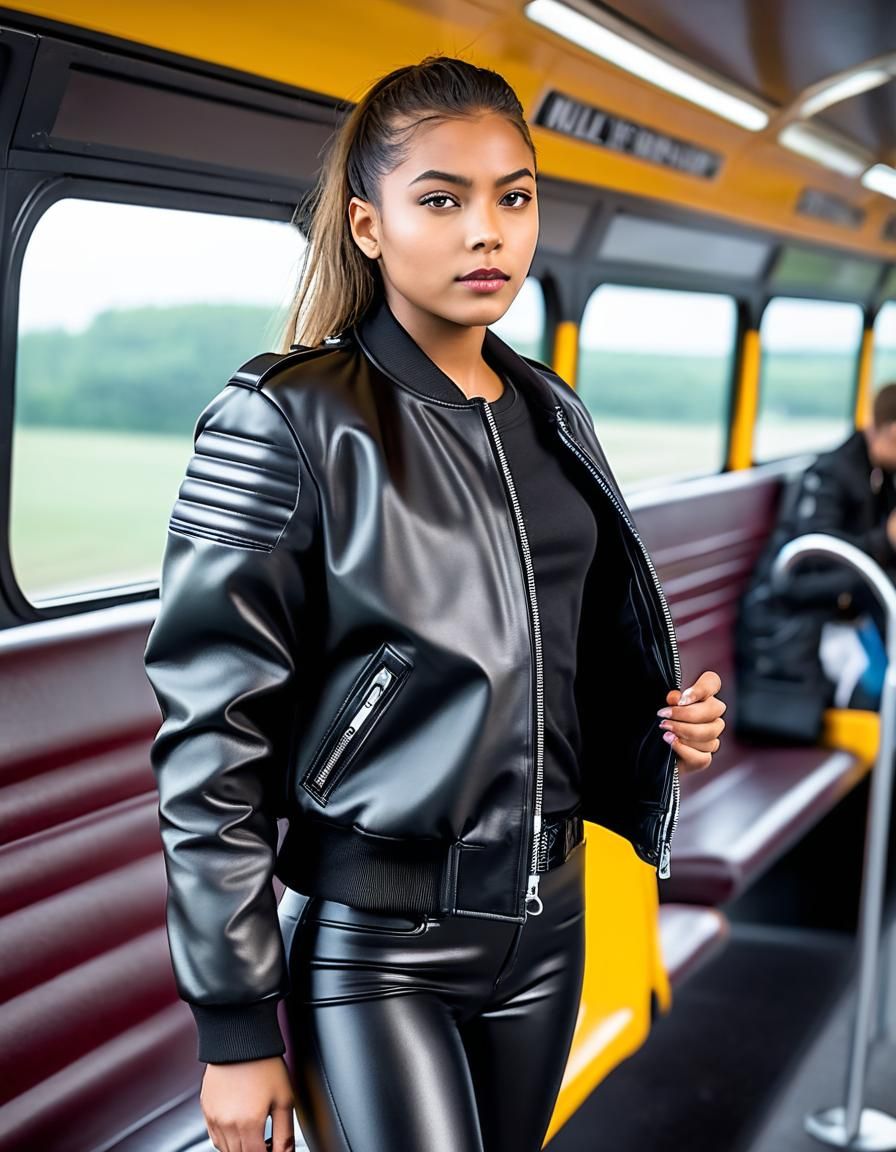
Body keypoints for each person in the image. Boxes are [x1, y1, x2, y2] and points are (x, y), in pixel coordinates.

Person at [143, 55, 725, 1152]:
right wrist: (232, 1023)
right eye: (441, 200)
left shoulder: (551, 408)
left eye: (512, 197)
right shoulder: (287, 419)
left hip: (548, 919)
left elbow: (551, 652)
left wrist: (662, 721)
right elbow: (208, 736)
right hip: (379, 945)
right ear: (368, 226)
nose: (486, 233)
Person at [735, 382, 896, 743]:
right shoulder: (830, 476)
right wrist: (884, 539)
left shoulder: (880, 476)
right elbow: (808, 566)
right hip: (797, 639)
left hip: (845, 622)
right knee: (879, 688)